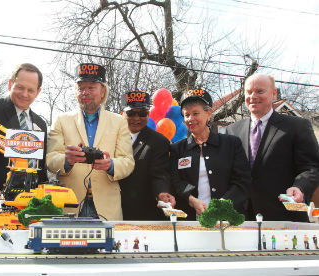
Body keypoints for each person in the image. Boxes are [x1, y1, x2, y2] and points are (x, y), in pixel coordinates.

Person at [46, 63, 134, 220]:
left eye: (91, 87)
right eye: (81, 88)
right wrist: (67, 160)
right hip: (69, 206)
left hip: (108, 208)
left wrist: (111, 165)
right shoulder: (61, 120)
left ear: (102, 91)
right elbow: (51, 159)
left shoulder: (119, 121)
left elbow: (128, 162)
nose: (85, 92)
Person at [227, 74, 319, 222]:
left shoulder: (297, 126)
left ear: (274, 93)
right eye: (248, 92)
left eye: (259, 91)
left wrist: (300, 187)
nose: (253, 96)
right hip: (244, 218)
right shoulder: (232, 130)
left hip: (284, 217)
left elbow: (311, 167)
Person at [0, 63, 48, 212]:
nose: (25, 94)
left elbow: (41, 168)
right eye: (20, 87)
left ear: (38, 92)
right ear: (10, 84)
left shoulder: (41, 124)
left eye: (31, 90)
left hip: (28, 207)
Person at [170, 89, 250, 219]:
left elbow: (243, 180)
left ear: (209, 114)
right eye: (187, 115)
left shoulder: (231, 144)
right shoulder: (177, 149)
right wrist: (191, 199)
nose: (191, 119)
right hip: (191, 220)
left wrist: (225, 203)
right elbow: (176, 182)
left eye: (196, 113)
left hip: (229, 218)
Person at [119, 91, 175, 220]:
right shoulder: (110, 136)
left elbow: (160, 174)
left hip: (143, 212)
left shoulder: (159, 141)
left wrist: (162, 193)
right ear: (123, 114)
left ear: (148, 114)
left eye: (142, 113)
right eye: (131, 113)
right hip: (111, 210)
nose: (137, 118)